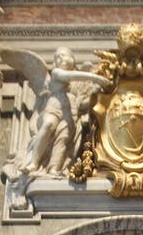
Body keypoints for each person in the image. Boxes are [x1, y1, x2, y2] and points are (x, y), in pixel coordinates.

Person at [21, 46, 109, 175]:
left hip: (70, 114)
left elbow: (82, 105)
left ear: (73, 60)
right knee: (49, 124)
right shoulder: (56, 73)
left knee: (63, 139)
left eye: (64, 55)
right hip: (54, 108)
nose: (60, 58)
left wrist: (94, 93)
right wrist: (95, 78)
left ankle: (54, 169)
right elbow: (68, 75)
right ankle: (34, 162)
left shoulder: (78, 85)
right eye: (57, 57)